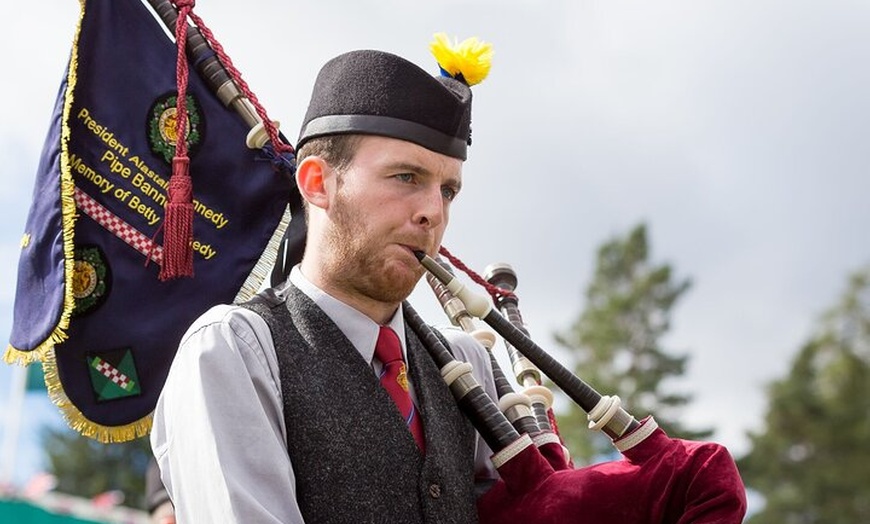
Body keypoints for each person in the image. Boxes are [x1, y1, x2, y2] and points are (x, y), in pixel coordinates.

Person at [150, 45, 500, 523]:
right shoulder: (232, 352)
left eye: (448, 190)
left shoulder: (467, 364)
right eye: (405, 176)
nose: (433, 213)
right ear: (316, 183)